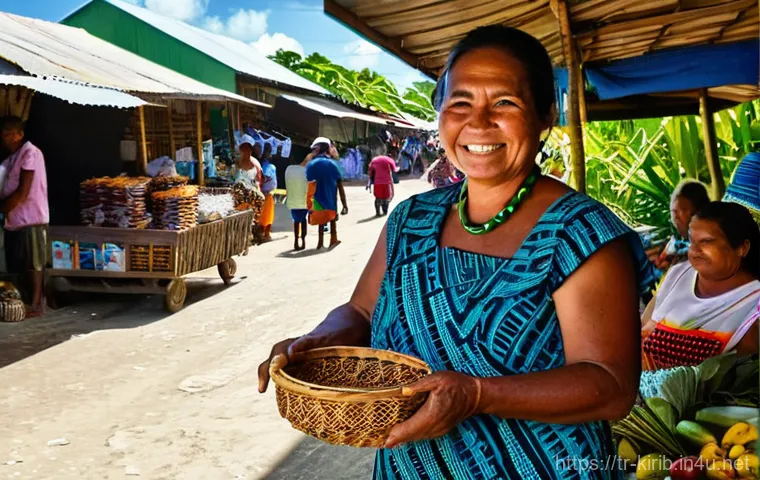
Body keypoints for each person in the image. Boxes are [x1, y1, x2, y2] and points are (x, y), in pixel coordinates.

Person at [259, 26, 656, 479]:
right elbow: (362, 311)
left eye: (505, 103)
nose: (479, 122)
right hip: (410, 467)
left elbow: (610, 386)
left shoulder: (581, 234)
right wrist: (320, 340)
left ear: (546, 115)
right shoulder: (410, 219)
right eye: (460, 103)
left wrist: (477, 394)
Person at [641, 202, 760, 370]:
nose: (695, 251)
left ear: (742, 247)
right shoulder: (677, 274)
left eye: (706, 242)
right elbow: (644, 327)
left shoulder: (753, 307)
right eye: (692, 241)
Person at [0, 117, 49, 316]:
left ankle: (36, 304)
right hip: (14, 220)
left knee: (34, 264)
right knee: (18, 264)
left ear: (21, 134)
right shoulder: (8, 160)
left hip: (31, 217)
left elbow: (23, 190)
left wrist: (3, 209)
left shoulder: (30, 152)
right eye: (5, 133)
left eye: (13, 132)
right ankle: (23, 303)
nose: (8, 137)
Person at [652, 180, 710, 271]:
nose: (676, 217)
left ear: (699, 212)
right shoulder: (674, 244)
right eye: (673, 211)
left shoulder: (709, 246)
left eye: (683, 210)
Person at [305, 138, 348, 250]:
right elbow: (340, 185)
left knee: (320, 220)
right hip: (331, 199)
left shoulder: (310, 165)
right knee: (332, 220)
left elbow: (309, 183)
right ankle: (333, 239)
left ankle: (320, 242)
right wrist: (344, 204)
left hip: (317, 199)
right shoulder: (333, 164)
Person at [285, 161, 308, 251]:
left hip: (293, 200)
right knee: (303, 220)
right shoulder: (305, 169)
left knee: (296, 221)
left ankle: (295, 240)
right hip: (303, 200)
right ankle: (303, 240)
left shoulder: (289, 169)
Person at [259, 143, 277, 242]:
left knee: (264, 214)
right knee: (267, 214)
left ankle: (264, 233)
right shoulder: (268, 166)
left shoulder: (265, 164)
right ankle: (266, 233)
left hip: (266, 192)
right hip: (267, 193)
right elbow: (266, 176)